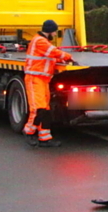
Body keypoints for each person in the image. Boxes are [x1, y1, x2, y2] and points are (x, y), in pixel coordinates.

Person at [23, 19, 74, 147]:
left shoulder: (42, 41)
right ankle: (28, 132)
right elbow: (54, 52)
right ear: (50, 31)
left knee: (45, 109)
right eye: (55, 32)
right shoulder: (40, 41)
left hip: (42, 79)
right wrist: (68, 57)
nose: (56, 34)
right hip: (35, 79)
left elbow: (51, 55)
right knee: (38, 109)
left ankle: (44, 138)